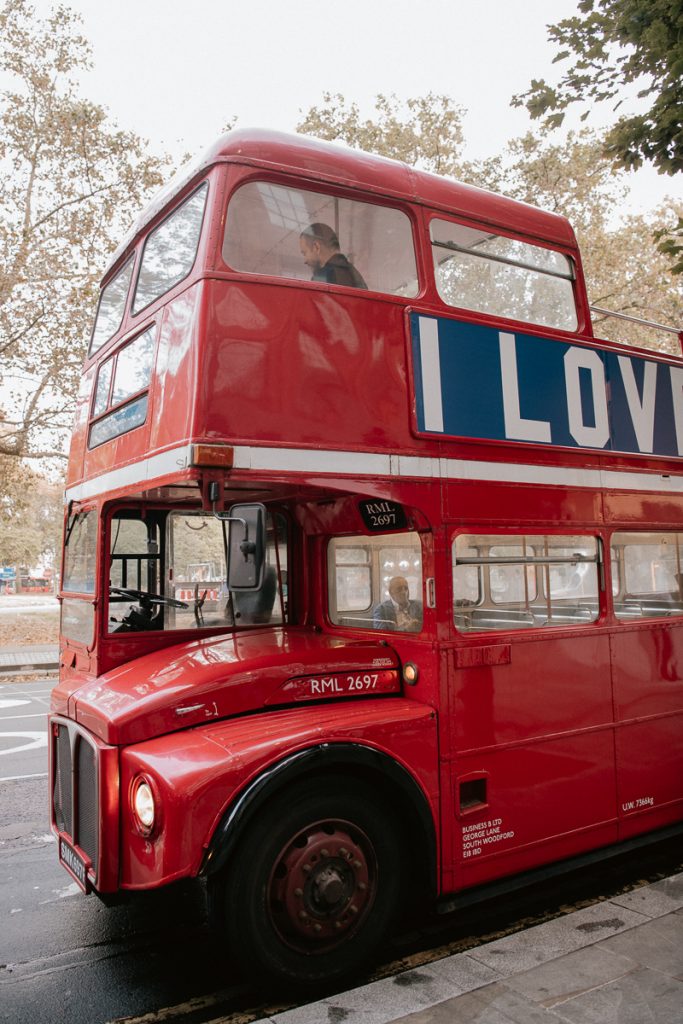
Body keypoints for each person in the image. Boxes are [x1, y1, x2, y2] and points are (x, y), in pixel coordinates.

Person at [299, 223, 368, 289]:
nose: (305, 261)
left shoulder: (322, 278)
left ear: (316, 247)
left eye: (305, 253)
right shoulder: (354, 274)